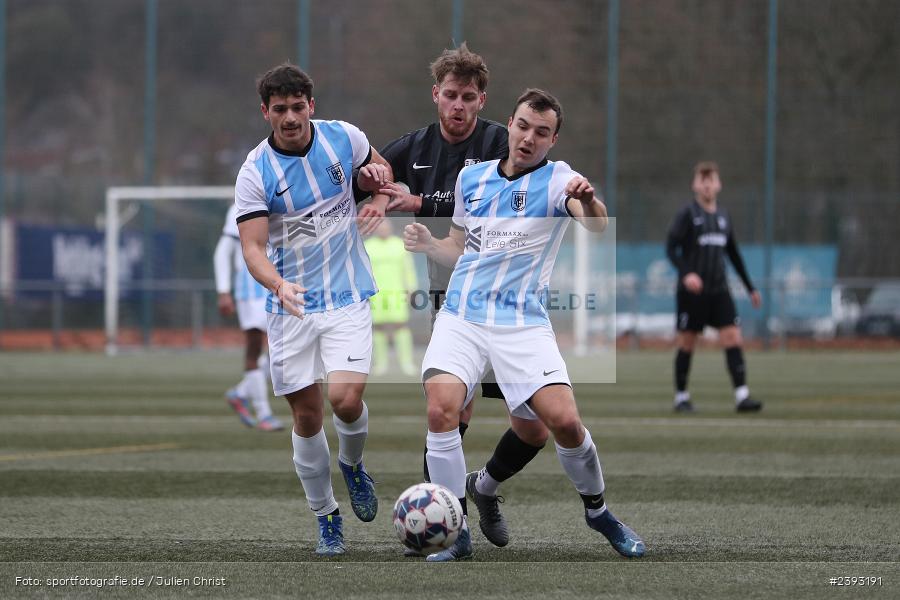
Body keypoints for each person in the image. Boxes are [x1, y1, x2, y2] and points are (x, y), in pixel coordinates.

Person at [403, 88, 645, 562]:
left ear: (553, 139)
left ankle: (598, 512)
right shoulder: (471, 179)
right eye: (522, 126)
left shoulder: (560, 181)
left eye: (541, 132)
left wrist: (589, 201)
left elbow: (594, 224)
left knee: (563, 423)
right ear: (508, 125)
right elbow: (460, 246)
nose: (528, 138)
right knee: (441, 408)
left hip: (521, 324)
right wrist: (432, 245)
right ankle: (456, 530)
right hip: (462, 317)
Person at [371, 43, 549, 550]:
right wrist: (374, 187)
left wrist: (421, 201)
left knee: (533, 428)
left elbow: (503, 198)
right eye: (450, 95)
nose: (458, 105)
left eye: (468, 97)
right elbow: (372, 175)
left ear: (482, 99)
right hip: (451, 299)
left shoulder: (505, 142)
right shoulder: (414, 147)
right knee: (451, 409)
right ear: (435, 95)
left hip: (511, 303)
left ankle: (485, 487)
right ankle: (453, 522)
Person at [234, 62, 392, 556]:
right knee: (307, 417)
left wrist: (379, 195)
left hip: (346, 295)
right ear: (265, 112)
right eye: (279, 109)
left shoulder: (344, 138)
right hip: (292, 307)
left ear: (311, 107)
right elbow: (253, 247)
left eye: (297, 107)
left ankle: (352, 464)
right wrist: (277, 284)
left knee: (345, 400)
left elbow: (383, 173)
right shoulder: (255, 171)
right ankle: (327, 517)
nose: (289, 117)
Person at [665, 161, 763, 414]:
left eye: (712, 180)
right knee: (687, 342)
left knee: (733, 337)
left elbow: (733, 253)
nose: (707, 185)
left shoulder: (723, 216)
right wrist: (686, 274)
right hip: (692, 293)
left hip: (719, 290)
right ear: (695, 184)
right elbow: (670, 248)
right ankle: (681, 397)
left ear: (719, 184)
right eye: (702, 179)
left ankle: (742, 396)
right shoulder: (688, 214)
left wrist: (750, 288)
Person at [213, 203, 285, 431]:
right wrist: (223, 290)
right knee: (255, 347)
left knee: (284, 349)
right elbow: (223, 250)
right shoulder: (241, 206)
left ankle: (241, 393)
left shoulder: (286, 201)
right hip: (251, 287)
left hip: (280, 283)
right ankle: (264, 414)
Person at [364, 220, 418, 376]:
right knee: (378, 327)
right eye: (380, 227)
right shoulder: (368, 246)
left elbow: (408, 269)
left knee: (401, 325)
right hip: (376, 294)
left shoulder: (400, 245)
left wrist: (411, 289)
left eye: (386, 226)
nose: (383, 229)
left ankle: (407, 363)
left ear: (391, 228)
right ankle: (380, 364)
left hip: (397, 292)